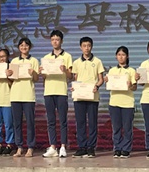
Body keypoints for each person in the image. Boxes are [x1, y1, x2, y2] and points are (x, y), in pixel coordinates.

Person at [40, 30, 72, 158]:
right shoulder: (46, 58)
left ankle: (63, 146)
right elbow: (44, 77)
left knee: (63, 120)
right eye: (53, 39)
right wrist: (42, 72)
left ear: (61, 41)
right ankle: (53, 146)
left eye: (57, 39)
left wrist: (65, 70)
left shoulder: (67, 56)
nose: (55, 42)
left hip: (61, 91)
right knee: (51, 120)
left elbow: (70, 76)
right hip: (49, 92)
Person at [71, 37, 105, 158]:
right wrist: (74, 87)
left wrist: (97, 86)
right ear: (80, 47)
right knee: (80, 122)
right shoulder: (76, 63)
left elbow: (101, 79)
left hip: (92, 96)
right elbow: (75, 79)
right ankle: (82, 147)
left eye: (89, 46)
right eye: (84, 46)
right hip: (79, 97)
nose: (86, 48)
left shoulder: (97, 61)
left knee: (92, 122)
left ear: (92, 47)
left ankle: (91, 147)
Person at [104, 46, 137, 158]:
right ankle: (117, 148)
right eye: (119, 55)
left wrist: (130, 85)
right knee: (116, 128)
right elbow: (109, 86)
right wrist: (107, 81)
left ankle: (126, 149)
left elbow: (134, 88)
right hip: (114, 102)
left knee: (127, 128)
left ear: (127, 56)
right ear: (116, 56)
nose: (121, 57)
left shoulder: (131, 70)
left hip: (127, 103)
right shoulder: (112, 71)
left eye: (123, 55)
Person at [8, 38, 39, 157]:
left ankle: (30, 147)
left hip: (28, 95)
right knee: (17, 123)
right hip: (15, 95)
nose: (24, 47)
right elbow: (11, 79)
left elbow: (36, 79)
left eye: (26, 45)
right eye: (21, 45)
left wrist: (33, 73)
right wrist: (8, 75)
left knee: (30, 123)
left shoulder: (34, 61)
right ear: (18, 47)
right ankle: (19, 147)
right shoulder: (14, 61)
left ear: (29, 47)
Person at [0, 48, 15, 156]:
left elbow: (13, 84)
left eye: (3, 56)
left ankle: (9, 144)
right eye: (0, 57)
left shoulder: (11, 68)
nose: (2, 59)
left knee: (8, 124)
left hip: (7, 99)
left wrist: (7, 76)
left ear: (8, 57)